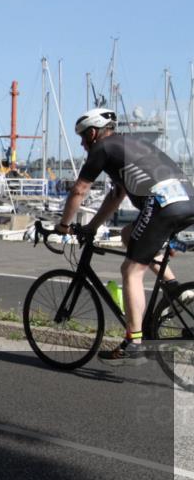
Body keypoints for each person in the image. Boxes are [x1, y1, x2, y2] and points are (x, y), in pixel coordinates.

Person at [57, 108, 194, 365]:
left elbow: (79, 190)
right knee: (130, 235)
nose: (82, 143)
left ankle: (135, 341)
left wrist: (63, 225)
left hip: (162, 203)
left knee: (131, 270)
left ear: (94, 133)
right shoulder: (129, 145)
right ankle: (177, 292)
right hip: (186, 200)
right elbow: (116, 196)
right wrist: (93, 226)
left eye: (83, 137)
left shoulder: (102, 148)